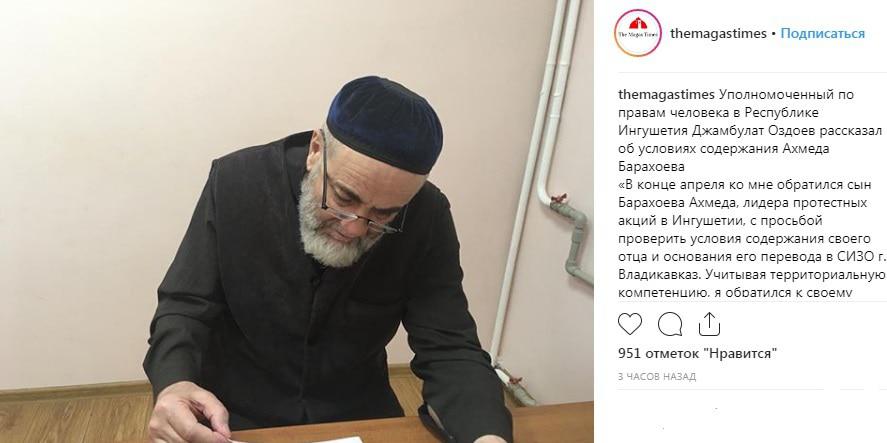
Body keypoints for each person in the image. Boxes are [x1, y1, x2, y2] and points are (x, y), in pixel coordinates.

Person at [143, 76, 512, 443]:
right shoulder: (237, 182)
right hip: (233, 416)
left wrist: (488, 437)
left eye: (384, 214)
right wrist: (174, 384)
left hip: (359, 418)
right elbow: (186, 305)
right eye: (344, 197)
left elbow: (450, 347)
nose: (354, 228)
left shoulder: (426, 214)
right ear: (316, 149)